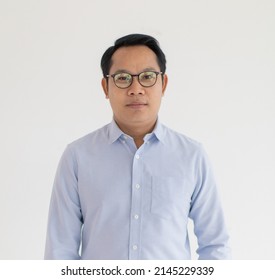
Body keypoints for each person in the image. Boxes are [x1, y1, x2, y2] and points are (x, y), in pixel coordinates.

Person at [44, 34, 231, 260]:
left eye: (148, 77)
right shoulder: (78, 157)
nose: (136, 88)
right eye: (123, 78)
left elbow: (215, 245)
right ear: (106, 87)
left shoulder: (191, 156)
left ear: (163, 84)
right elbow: (60, 250)